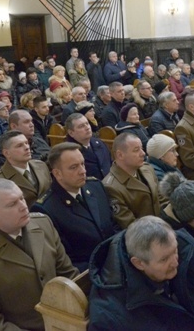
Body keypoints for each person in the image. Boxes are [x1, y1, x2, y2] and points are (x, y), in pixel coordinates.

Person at [0, 179, 78, 330]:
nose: (23, 206)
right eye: (12, 204)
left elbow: (69, 275)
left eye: (21, 198)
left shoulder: (43, 223)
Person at [31, 143, 118, 272]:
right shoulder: (45, 209)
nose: (83, 171)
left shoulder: (95, 186)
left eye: (82, 164)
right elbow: (63, 260)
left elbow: (113, 225)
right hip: (89, 275)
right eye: (74, 167)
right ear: (57, 174)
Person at [102, 133, 165, 229]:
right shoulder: (111, 186)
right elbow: (131, 225)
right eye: (136, 150)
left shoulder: (147, 169)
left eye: (142, 148)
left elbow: (161, 199)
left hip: (163, 226)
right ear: (120, 155)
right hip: (144, 236)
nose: (143, 153)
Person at [0, 130, 52, 207]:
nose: (27, 147)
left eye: (26, 143)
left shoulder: (41, 165)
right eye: (19, 145)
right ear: (6, 153)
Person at [65, 113, 112, 180]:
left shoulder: (99, 143)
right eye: (81, 126)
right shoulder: (69, 152)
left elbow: (110, 163)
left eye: (87, 123)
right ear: (71, 133)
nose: (87, 127)